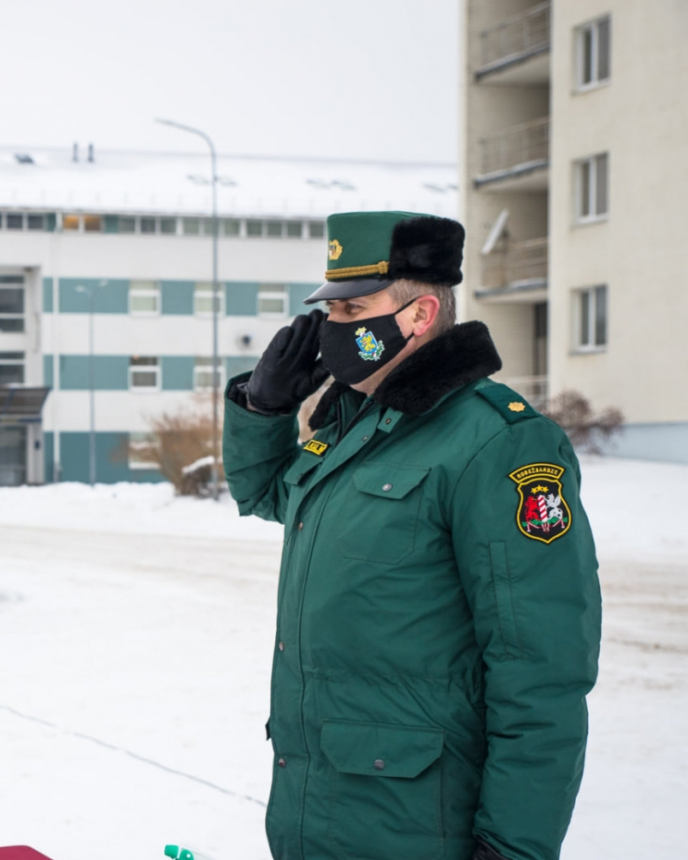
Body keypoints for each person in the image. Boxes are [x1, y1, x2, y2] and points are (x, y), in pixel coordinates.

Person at [222, 211, 601, 860]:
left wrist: (513, 847)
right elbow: (268, 495)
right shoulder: (357, 427)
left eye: (352, 312)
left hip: (419, 826)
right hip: (319, 810)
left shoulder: (497, 442)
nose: (328, 332)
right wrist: (265, 409)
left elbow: (542, 671)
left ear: (421, 316)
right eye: (329, 313)